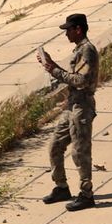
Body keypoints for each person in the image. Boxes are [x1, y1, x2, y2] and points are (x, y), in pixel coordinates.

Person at [37, 13, 99, 211]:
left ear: (78, 29)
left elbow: (82, 81)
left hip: (82, 108)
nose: (66, 34)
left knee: (80, 152)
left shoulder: (87, 50)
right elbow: (74, 76)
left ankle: (86, 195)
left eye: (68, 30)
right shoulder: (79, 50)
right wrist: (53, 66)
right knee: (55, 146)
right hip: (72, 106)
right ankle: (62, 187)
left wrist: (55, 71)